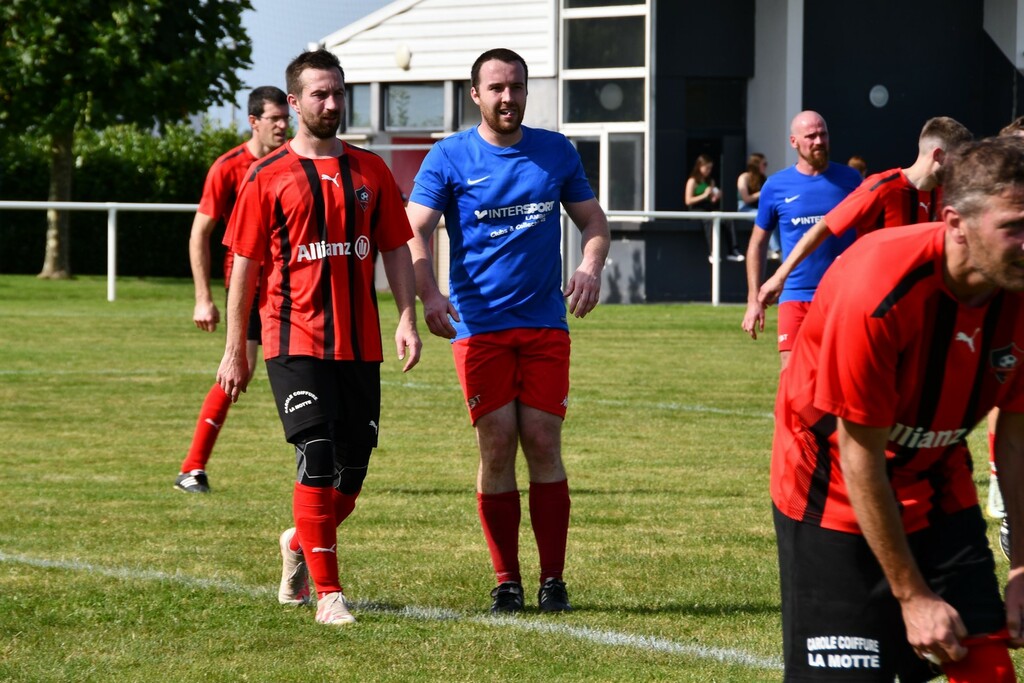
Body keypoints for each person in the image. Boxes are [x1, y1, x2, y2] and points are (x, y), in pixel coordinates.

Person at [771, 135, 1024, 682]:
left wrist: (1022, 567)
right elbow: (858, 456)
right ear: (956, 224)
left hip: (936, 481)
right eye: (1015, 227)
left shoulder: (1016, 287)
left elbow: (1017, 436)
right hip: (832, 491)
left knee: (988, 669)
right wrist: (912, 596)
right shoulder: (878, 288)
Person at [216, 49, 421, 626]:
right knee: (318, 453)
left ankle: (298, 541)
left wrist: (406, 318)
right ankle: (328, 594)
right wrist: (234, 349)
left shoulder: (371, 171)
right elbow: (244, 267)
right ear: (293, 102)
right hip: (293, 339)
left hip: (360, 343)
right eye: (318, 94)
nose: (331, 104)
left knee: (353, 473)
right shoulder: (266, 176)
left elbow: (396, 248)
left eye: (337, 93)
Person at [405, 48, 609, 614]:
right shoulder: (448, 156)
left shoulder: (555, 151)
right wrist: (429, 295)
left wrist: (590, 266)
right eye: (495, 88)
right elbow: (413, 229)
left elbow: (593, 220)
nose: (507, 97)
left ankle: (553, 580)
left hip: (544, 324)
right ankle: (506, 581)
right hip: (479, 328)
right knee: (496, 444)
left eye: (516, 86)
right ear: (476, 94)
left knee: (543, 440)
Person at [175, 85, 289, 494]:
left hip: (291, 283)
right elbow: (199, 234)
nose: (283, 125)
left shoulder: (293, 161)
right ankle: (192, 468)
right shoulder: (227, 168)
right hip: (248, 286)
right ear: (253, 121)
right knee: (241, 370)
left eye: (286, 117)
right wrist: (203, 298)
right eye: (274, 118)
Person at [757, 116, 972, 309]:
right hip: (873, 308)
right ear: (938, 155)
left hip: (918, 307)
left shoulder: (945, 197)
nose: (962, 168)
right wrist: (780, 276)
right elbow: (823, 228)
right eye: (959, 159)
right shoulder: (882, 188)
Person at [740, 111, 862, 369]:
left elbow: (869, 234)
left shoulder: (851, 180)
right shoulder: (776, 186)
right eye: (811, 136)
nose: (819, 141)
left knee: (840, 376)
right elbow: (758, 244)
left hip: (842, 296)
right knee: (791, 376)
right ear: (794, 142)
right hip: (795, 296)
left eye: (823, 134)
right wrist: (753, 300)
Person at [685, 154, 743, 262]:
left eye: (710, 168)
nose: (709, 171)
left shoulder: (710, 181)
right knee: (710, 220)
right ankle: (713, 252)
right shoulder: (692, 181)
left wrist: (715, 197)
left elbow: (711, 200)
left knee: (728, 218)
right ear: (699, 166)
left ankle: (733, 250)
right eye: (706, 168)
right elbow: (688, 200)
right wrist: (704, 195)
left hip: (708, 208)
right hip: (696, 209)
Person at [737, 153, 777, 260]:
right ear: (756, 165)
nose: (766, 166)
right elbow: (746, 198)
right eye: (764, 164)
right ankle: (773, 249)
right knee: (762, 216)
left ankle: (778, 248)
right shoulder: (744, 177)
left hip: (757, 208)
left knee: (774, 215)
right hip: (744, 208)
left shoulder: (763, 179)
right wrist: (761, 193)